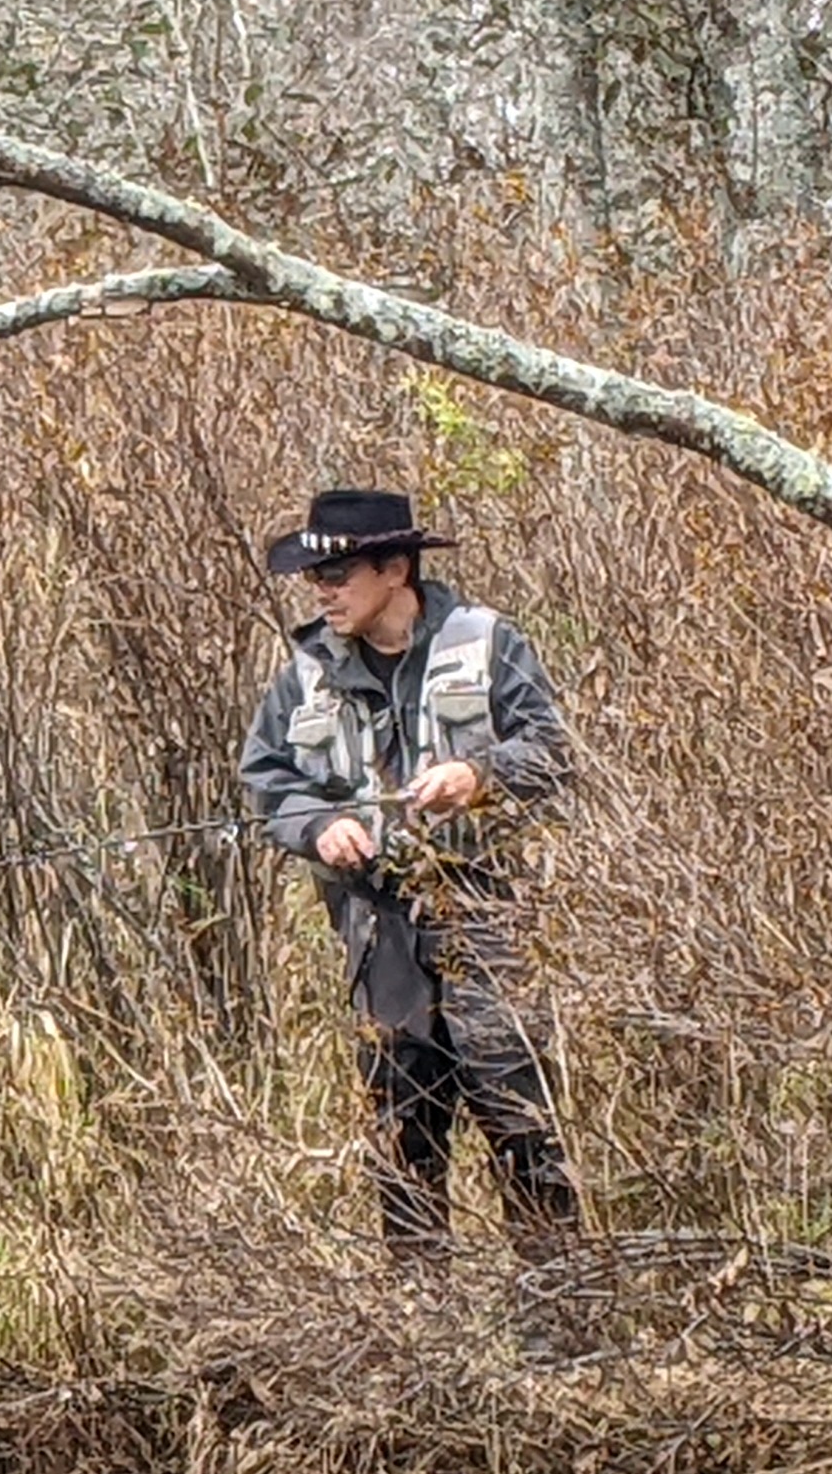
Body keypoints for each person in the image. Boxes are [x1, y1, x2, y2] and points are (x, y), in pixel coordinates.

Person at [236, 488, 581, 1259]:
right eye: (315, 579)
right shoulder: (304, 674)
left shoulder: (489, 643)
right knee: (402, 1126)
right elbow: (267, 783)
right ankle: (424, 1336)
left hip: (488, 911)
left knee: (517, 1108)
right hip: (377, 923)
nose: (321, 592)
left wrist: (479, 775)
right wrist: (322, 827)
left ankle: (563, 1324)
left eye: (339, 574)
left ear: (396, 569)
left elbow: (555, 751)